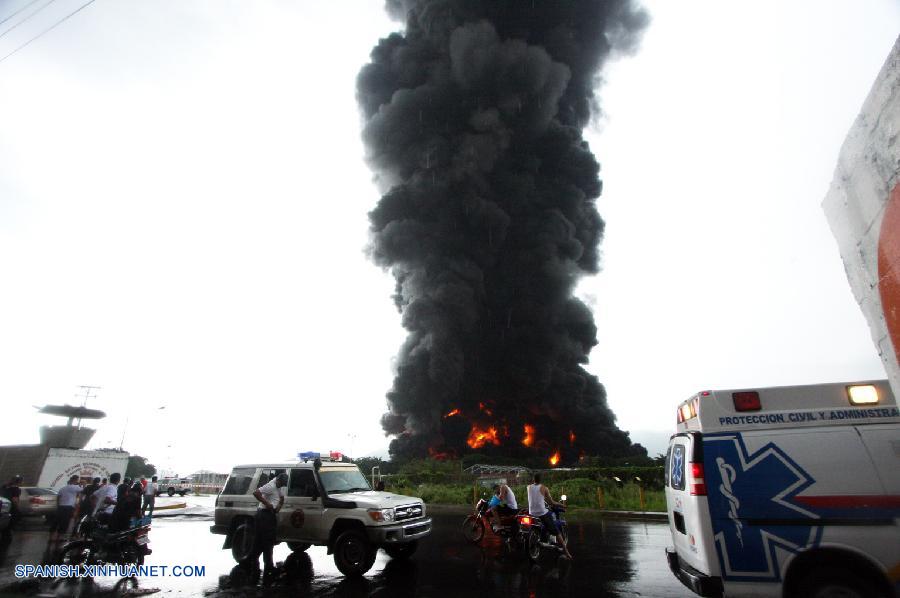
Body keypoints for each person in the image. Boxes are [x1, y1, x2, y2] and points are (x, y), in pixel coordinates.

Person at [243, 472, 287, 582]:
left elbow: (281, 498)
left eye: (283, 485)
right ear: (278, 479)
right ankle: (268, 568)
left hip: (270, 514)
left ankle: (254, 563)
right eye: (281, 483)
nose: (281, 486)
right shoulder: (271, 486)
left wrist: (279, 506)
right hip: (264, 515)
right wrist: (267, 503)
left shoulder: (278, 486)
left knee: (263, 541)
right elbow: (256, 493)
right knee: (267, 542)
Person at [527, 472, 573, 559]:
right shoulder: (544, 488)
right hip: (541, 513)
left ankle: (542, 537)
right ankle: (566, 552)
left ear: (533, 479)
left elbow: (535, 497)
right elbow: (551, 502)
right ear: (541, 480)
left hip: (531, 512)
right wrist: (562, 505)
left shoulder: (528, 487)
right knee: (556, 531)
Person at [51, 475, 82, 541]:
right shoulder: (75, 487)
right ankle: (59, 538)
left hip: (61, 506)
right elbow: (83, 491)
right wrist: (82, 484)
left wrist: (58, 506)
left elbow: (58, 498)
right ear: (75, 480)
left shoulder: (63, 488)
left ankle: (51, 537)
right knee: (64, 523)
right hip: (68, 507)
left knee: (56, 522)